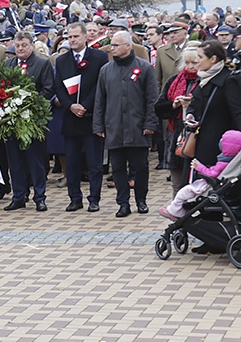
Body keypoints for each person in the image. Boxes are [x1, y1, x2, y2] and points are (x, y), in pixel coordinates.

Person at [93, 30, 159, 218]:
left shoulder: (144, 68)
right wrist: (98, 125)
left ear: (127, 46)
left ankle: (141, 200)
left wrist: (150, 123)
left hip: (138, 127)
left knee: (140, 167)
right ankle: (123, 203)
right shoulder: (106, 70)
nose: (111, 48)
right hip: (114, 128)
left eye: (115, 45)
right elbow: (100, 100)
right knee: (118, 168)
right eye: (111, 45)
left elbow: (152, 99)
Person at [54, 23, 109, 212]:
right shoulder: (62, 61)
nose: (72, 40)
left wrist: (85, 105)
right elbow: (59, 87)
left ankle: (94, 198)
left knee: (94, 163)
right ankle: (75, 198)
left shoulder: (100, 57)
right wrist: (70, 106)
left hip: (91, 117)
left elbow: (100, 85)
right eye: (69, 37)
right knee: (72, 162)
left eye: (76, 36)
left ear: (86, 37)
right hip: (71, 118)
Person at [3, 31, 55, 212]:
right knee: (15, 161)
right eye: (17, 46)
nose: (21, 49)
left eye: (24, 45)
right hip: (11, 120)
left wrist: (29, 104)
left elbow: (48, 90)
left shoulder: (42, 64)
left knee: (36, 161)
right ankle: (19, 196)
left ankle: (39, 197)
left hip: (34, 121)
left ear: (32, 45)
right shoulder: (8, 64)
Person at [159, 129, 241, 219]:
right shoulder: (232, 161)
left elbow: (212, 174)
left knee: (183, 192)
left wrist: (199, 167)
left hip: (208, 186)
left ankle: (174, 211)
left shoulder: (223, 163)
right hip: (217, 185)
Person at [186, 41, 241, 173]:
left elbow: (237, 112)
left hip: (219, 146)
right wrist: (190, 114)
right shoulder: (202, 78)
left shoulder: (228, 80)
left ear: (213, 59)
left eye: (200, 57)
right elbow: (195, 105)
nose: (196, 61)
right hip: (197, 142)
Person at [155, 48, 200, 195]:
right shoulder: (174, 81)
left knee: (198, 184)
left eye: (194, 62)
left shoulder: (204, 81)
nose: (190, 66)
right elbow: (159, 108)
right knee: (177, 182)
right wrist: (173, 105)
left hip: (198, 137)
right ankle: (178, 215)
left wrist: (192, 104)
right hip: (176, 137)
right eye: (187, 62)